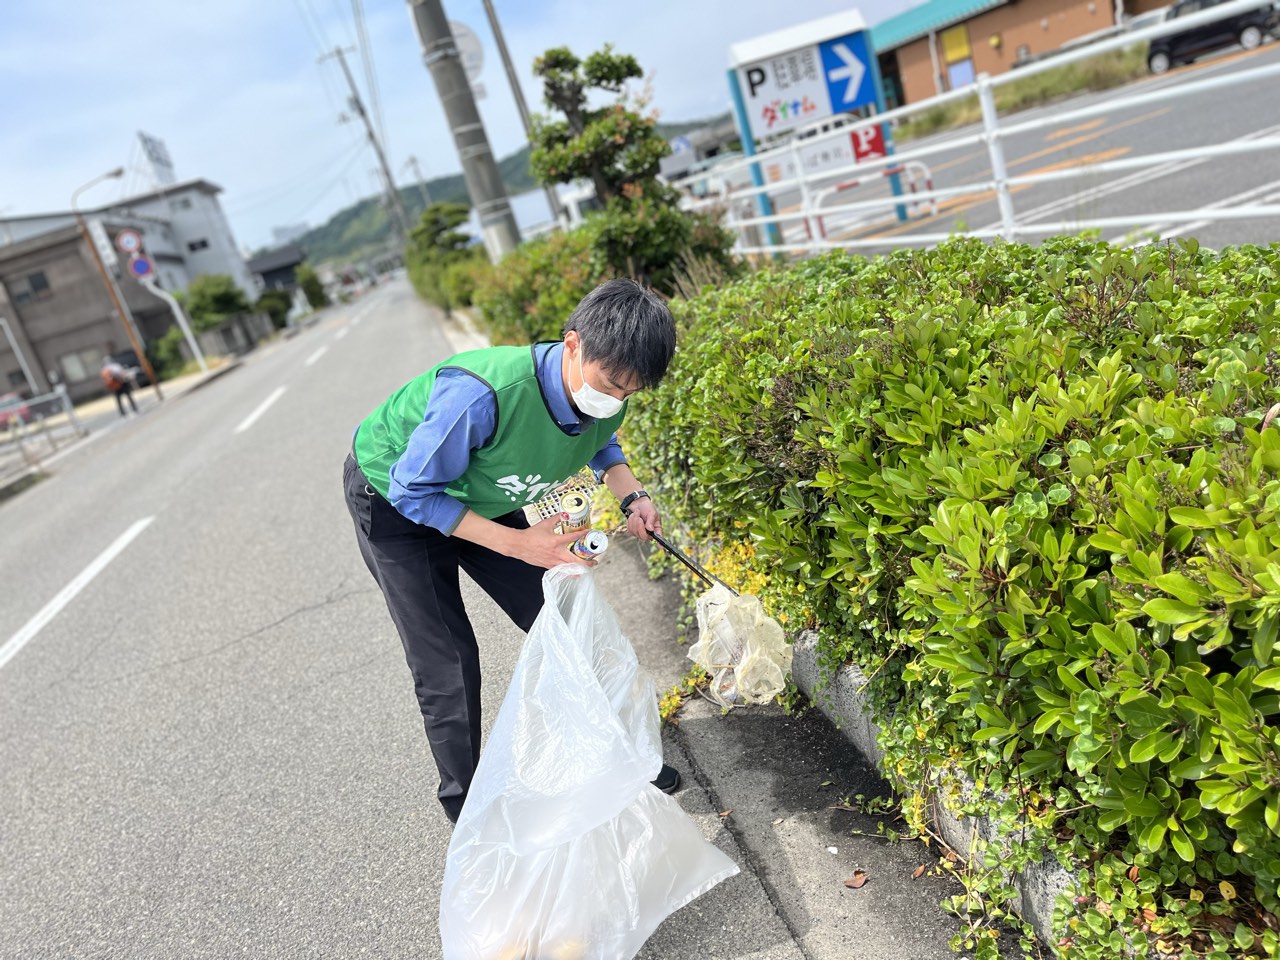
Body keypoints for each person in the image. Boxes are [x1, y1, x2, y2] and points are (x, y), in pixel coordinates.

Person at [344, 278, 680, 824]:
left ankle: (623, 756)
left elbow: (601, 438)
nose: (616, 399)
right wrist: (521, 544)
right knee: (448, 664)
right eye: (610, 383)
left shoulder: (609, 393)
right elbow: (413, 488)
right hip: (394, 500)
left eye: (630, 393)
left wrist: (631, 494)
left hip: (479, 489)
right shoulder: (484, 393)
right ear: (572, 344)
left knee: (566, 622)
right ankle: (469, 813)